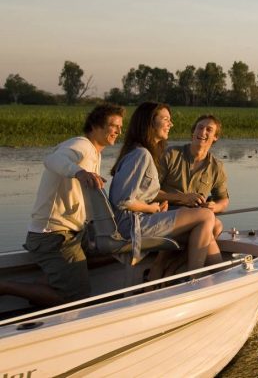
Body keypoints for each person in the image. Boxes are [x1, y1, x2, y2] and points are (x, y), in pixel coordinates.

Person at [0, 103, 124, 307]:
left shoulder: (95, 153)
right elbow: (53, 159)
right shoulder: (81, 145)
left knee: (115, 250)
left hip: (73, 233)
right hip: (53, 235)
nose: (119, 131)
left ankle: (46, 284)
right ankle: (5, 287)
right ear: (96, 125)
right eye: (113, 125)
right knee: (75, 297)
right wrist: (79, 172)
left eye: (120, 127)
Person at [108, 102, 222, 273]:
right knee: (206, 216)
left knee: (208, 225)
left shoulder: (143, 152)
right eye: (165, 119)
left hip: (137, 221)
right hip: (132, 226)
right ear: (150, 122)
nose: (171, 124)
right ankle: (195, 279)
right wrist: (151, 208)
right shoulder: (141, 154)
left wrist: (160, 204)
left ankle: (214, 273)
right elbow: (123, 201)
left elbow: (141, 194)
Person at [155, 114, 230, 237]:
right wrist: (182, 197)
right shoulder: (170, 154)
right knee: (209, 223)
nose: (203, 132)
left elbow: (224, 199)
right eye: (199, 128)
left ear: (215, 137)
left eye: (209, 130)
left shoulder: (217, 166)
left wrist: (215, 206)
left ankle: (180, 256)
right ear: (193, 132)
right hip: (166, 214)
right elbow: (150, 192)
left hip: (198, 216)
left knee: (217, 226)